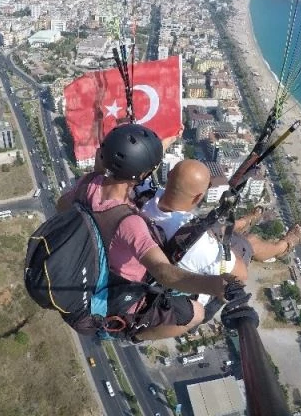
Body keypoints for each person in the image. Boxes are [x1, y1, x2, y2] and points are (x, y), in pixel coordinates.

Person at [56, 124, 236, 341]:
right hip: (121, 298)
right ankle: (134, 336)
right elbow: (163, 272)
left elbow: (62, 206)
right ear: (141, 175)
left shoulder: (88, 185)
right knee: (197, 313)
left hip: (88, 270)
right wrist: (215, 285)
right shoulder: (130, 223)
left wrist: (98, 169)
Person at [141, 159, 301, 312]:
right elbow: (241, 275)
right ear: (199, 196)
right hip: (193, 292)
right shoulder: (199, 245)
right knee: (250, 242)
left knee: (221, 227)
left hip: (172, 248)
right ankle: (282, 247)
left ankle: (245, 221)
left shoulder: (144, 196)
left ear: (169, 176)